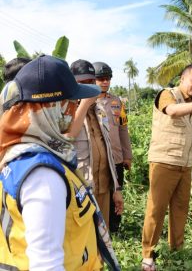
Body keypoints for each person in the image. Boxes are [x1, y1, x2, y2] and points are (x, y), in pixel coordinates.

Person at [0, 55, 104, 270]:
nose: (74, 110)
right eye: (72, 102)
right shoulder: (42, 175)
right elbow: (46, 265)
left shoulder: (20, 153)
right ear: (54, 106)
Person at [141, 64, 192, 271]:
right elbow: (173, 112)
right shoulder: (168, 95)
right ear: (182, 79)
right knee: (156, 210)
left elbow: (191, 137)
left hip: (185, 166)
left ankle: (177, 249)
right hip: (164, 162)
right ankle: (148, 254)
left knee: (180, 210)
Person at [69, 59, 124, 229]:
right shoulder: (66, 111)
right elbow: (66, 138)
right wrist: (83, 104)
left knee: (103, 234)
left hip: (103, 186)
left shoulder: (100, 110)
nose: (89, 86)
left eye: (91, 82)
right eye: (82, 83)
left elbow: (108, 150)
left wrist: (116, 188)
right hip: (81, 188)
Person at [93, 61, 132, 233]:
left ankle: (114, 229)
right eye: (100, 78)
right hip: (98, 159)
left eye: (107, 78)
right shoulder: (85, 102)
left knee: (116, 192)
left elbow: (123, 129)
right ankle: (97, 228)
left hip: (116, 157)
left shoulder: (116, 102)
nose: (105, 82)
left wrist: (127, 155)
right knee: (99, 193)